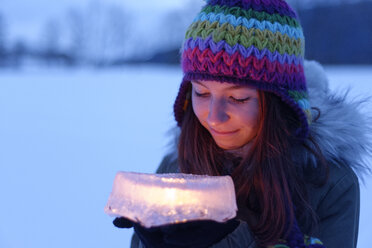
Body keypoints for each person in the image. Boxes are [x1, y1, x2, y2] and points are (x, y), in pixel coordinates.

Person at [113, 0, 371, 247]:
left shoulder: (328, 184)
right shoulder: (177, 167)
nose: (214, 116)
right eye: (201, 93)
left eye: (237, 98)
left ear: (280, 103)